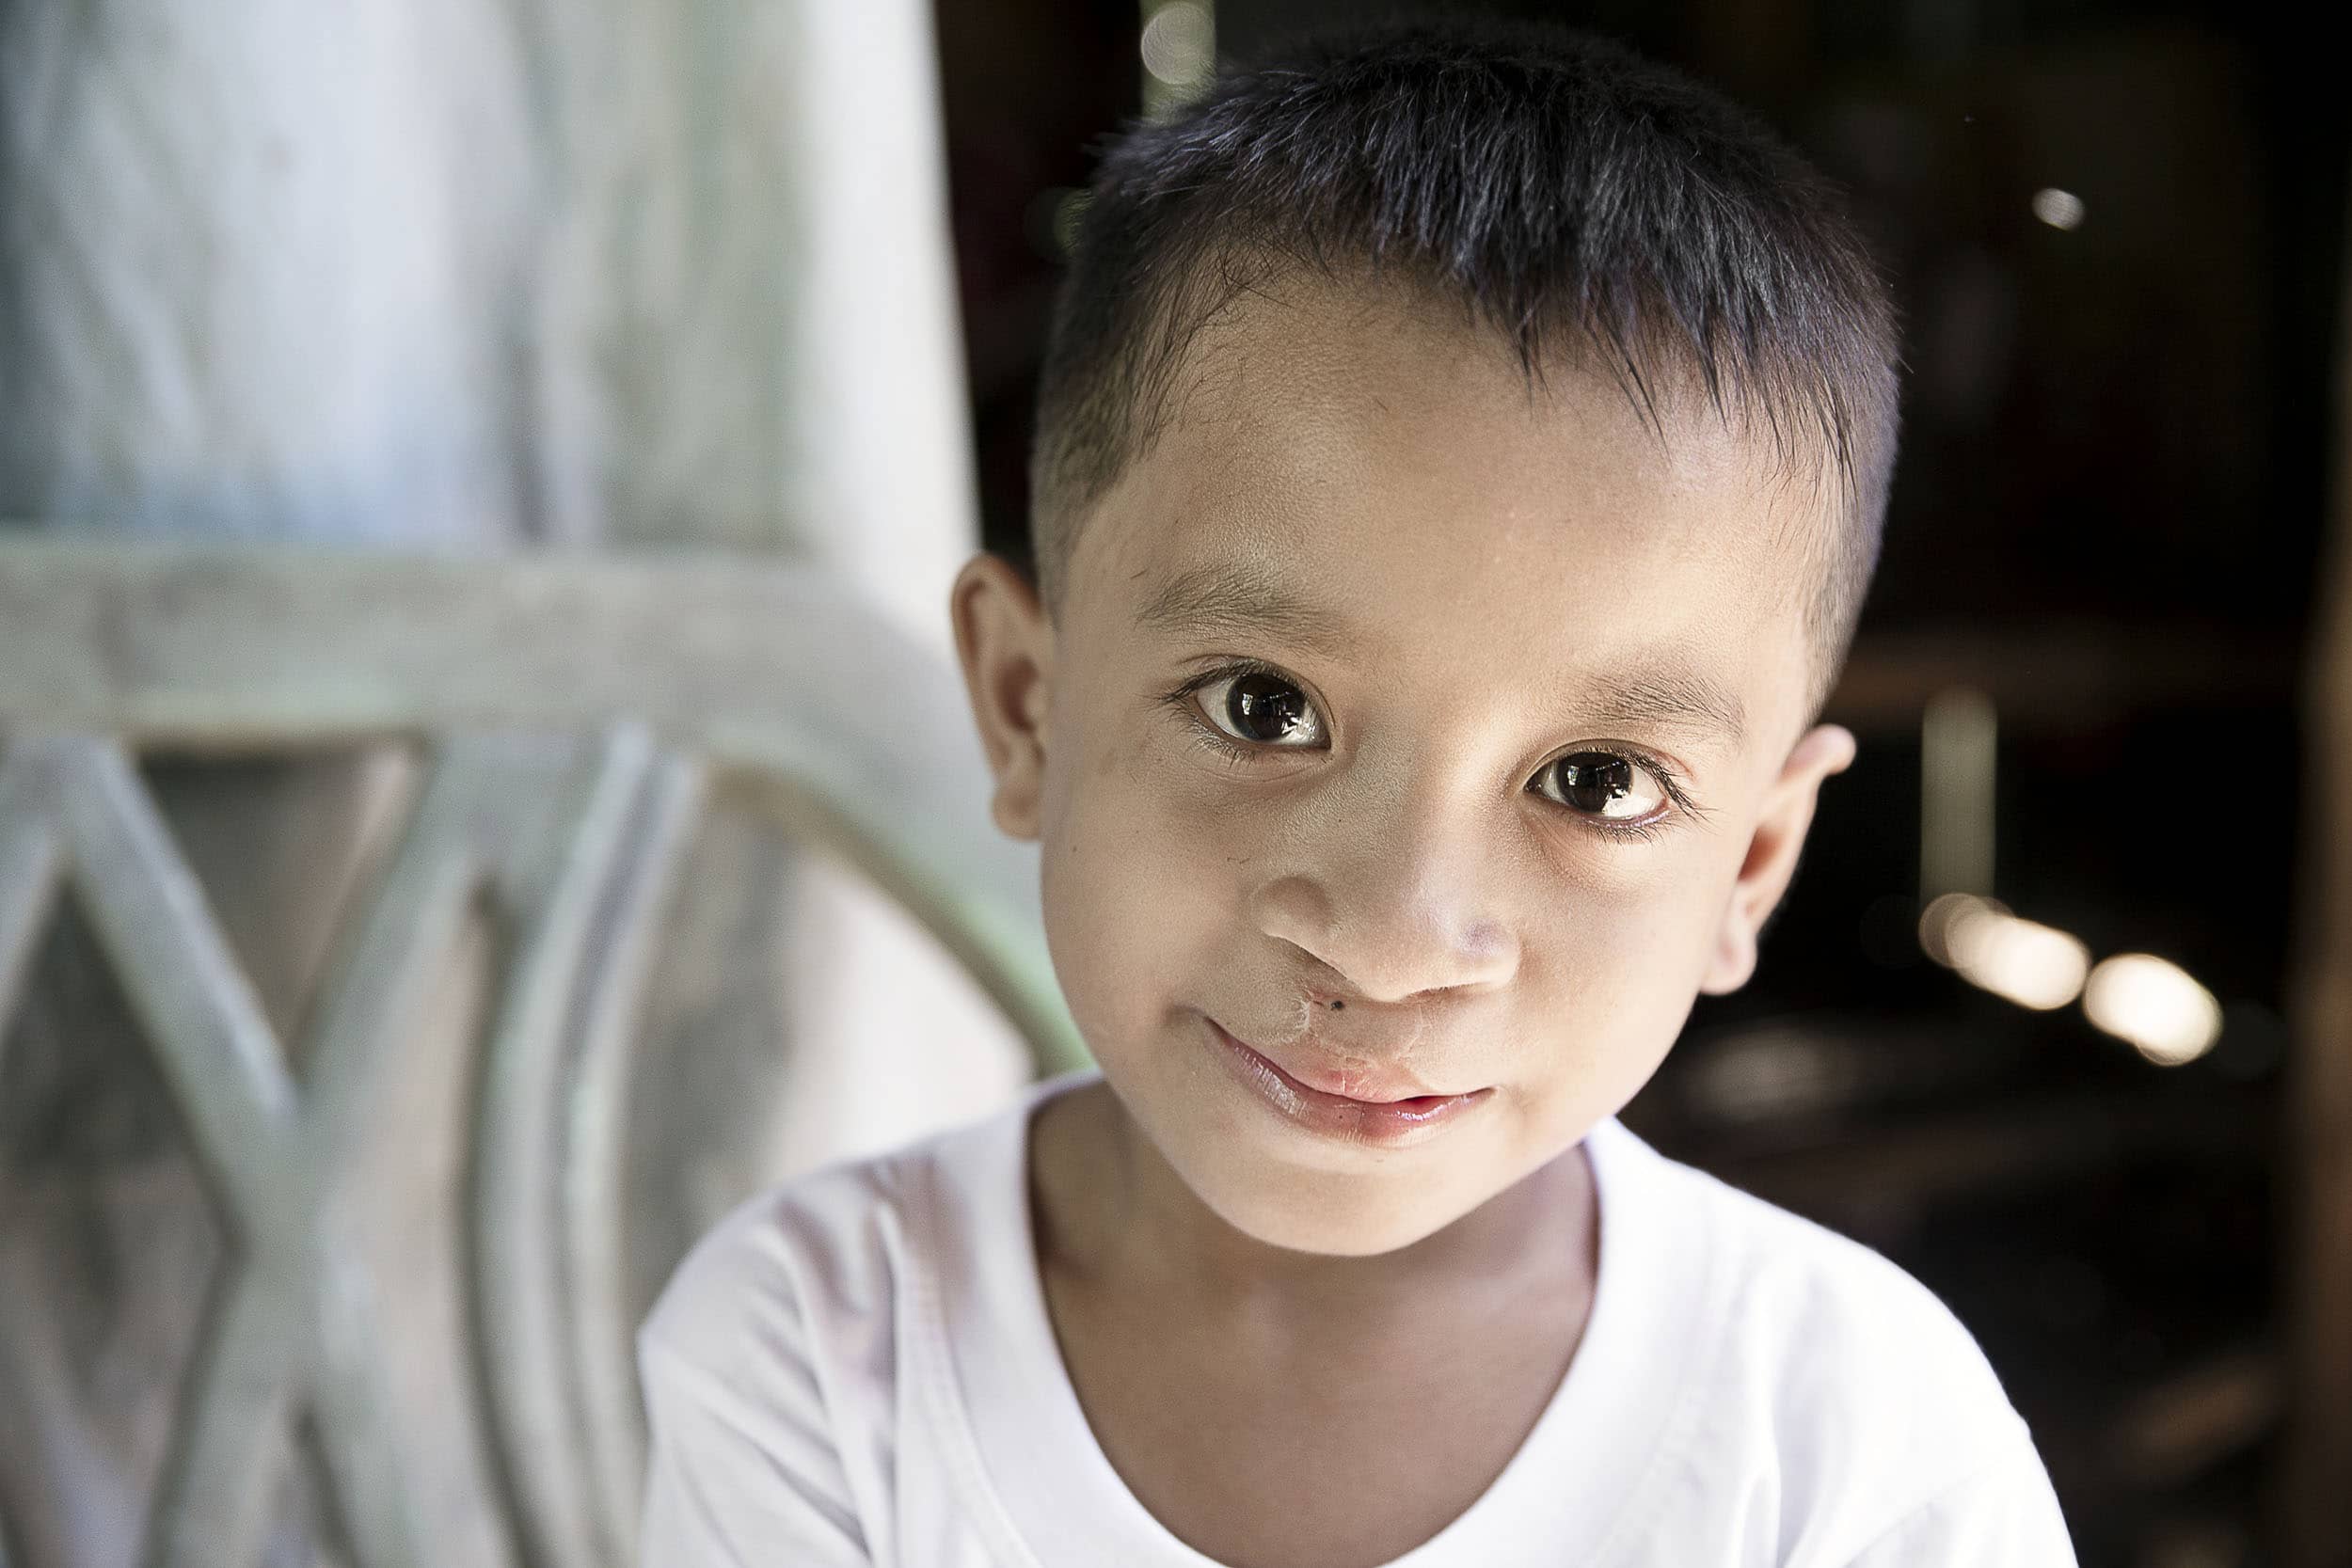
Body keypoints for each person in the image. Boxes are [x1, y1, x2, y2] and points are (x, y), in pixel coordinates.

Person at [633, 13, 2079, 1566]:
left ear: (1751, 865)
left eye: (1595, 782)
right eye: (1265, 709)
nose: (1393, 940)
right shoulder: (825, 1355)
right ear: (1027, 709)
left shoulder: (1854, 1446)